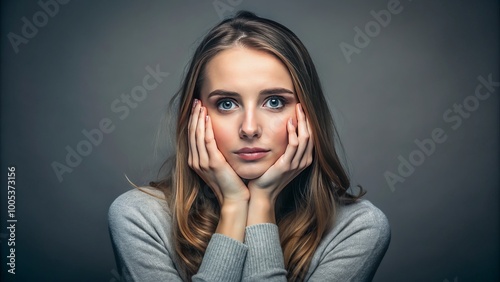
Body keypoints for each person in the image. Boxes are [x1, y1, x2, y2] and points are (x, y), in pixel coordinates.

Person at [108, 11, 390, 282]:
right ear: (194, 115)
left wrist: (261, 204)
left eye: (275, 102)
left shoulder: (358, 229)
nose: (250, 128)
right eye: (226, 104)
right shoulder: (139, 217)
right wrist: (234, 206)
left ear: (309, 113)